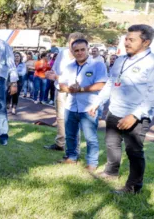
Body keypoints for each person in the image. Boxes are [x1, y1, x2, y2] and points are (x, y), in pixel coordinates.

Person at [89, 24, 154, 194]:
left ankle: (133, 187)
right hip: (115, 110)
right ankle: (111, 172)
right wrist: (98, 102)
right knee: (111, 144)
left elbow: (151, 95)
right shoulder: (120, 59)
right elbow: (111, 83)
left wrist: (134, 115)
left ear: (146, 42)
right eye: (126, 38)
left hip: (136, 115)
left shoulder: (151, 63)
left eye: (132, 40)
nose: (126, 42)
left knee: (134, 151)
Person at [58, 39, 107, 171]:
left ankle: (92, 162)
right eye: (76, 50)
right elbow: (61, 84)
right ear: (72, 51)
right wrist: (68, 89)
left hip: (89, 106)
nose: (79, 53)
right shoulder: (69, 66)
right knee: (70, 134)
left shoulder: (98, 65)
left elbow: (101, 84)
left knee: (90, 137)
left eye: (82, 49)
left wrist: (81, 89)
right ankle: (71, 157)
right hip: (71, 106)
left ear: (87, 49)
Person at [44, 32, 85, 152]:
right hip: (60, 90)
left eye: (75, 44)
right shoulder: (63, 53)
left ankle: (75, 149)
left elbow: (78, 79)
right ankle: (60, 143)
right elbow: (55, 69)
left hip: (74, 92)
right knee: (60, 117)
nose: (72, 47)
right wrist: (50, 74)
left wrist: (58, 77)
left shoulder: (84, 58)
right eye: (70, 43)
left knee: (73, 120)